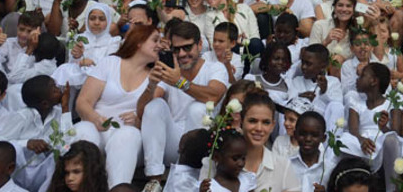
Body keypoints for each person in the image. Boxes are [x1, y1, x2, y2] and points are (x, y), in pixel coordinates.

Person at [139, 20, 227, 187]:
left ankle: (188, 180)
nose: (182, 54)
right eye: (176, 49)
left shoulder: (215, 68)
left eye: (187, 47)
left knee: (198, 108)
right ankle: (154, 181)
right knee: (155, 105)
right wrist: (150, 86)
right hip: (173, 142)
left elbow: (213, 96)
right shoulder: (170, 72)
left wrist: (180, 83)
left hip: (202, 147)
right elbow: (143, 111)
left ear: (199, 45)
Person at [75, 24, 161, 188]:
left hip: (130, 138)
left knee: (127, 135)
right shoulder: (110, 63)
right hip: (98, 128)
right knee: (84, 129)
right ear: (139, 42)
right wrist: (95, 118)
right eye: (155, 40)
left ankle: (117, 188)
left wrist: (137, 121)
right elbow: (83, 102)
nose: (160, 46)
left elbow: (153, 120)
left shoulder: (155, 78)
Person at [231, 92, 301, 192]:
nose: (259, 128)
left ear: (273, 125)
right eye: (252, 121)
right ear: (241, 121)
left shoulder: (283, 166)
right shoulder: (219, 162)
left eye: (266, 122)